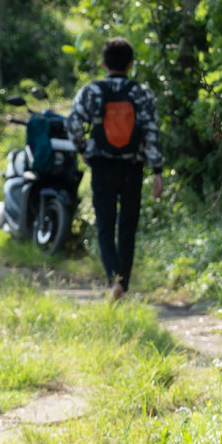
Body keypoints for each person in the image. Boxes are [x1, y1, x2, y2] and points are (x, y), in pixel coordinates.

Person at [66, 38, 163, 301]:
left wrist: (84, 149)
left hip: (102, 166)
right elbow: (152, 133)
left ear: (103, 63)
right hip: (132, 167)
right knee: (128, 226)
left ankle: (114, 280)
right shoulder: (143, 93)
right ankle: (124, 282)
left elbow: (73, 123)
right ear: (131, 64)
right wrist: (157, 172)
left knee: (105, 226)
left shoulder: (91, 91)